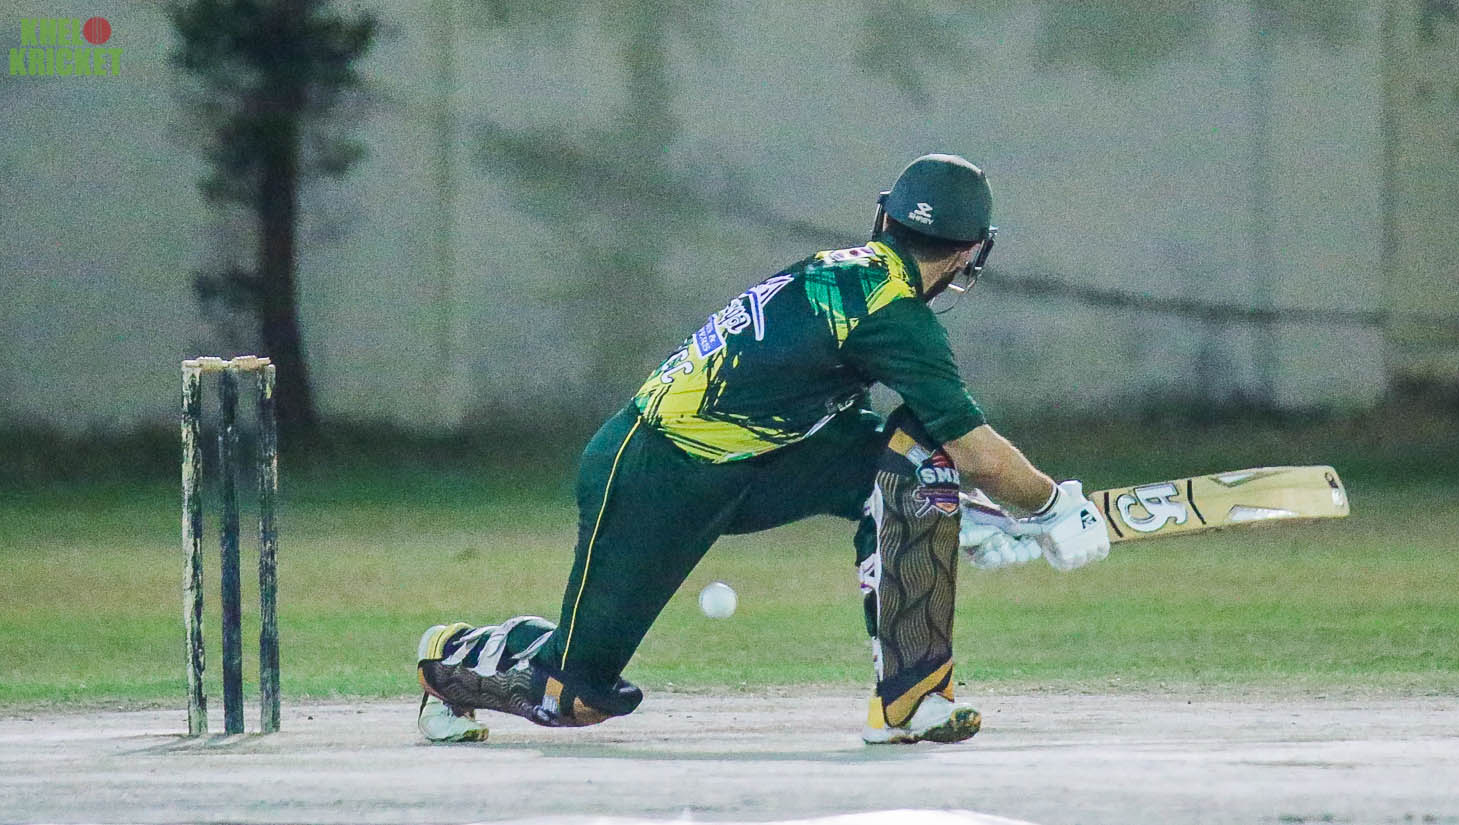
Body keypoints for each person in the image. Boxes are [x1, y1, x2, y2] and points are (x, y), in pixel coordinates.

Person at [414, 154, 1112, 745]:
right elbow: (980, 454)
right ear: (970, 251)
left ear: (885, 217)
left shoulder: (840, 269)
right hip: (657, 470)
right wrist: (1049, 505)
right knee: (572, 696)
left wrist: (956, 510)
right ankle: (452, 657)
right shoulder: (895, 315)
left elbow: (876, 439)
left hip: (765, 455)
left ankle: (911, 697)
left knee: (916, 461)